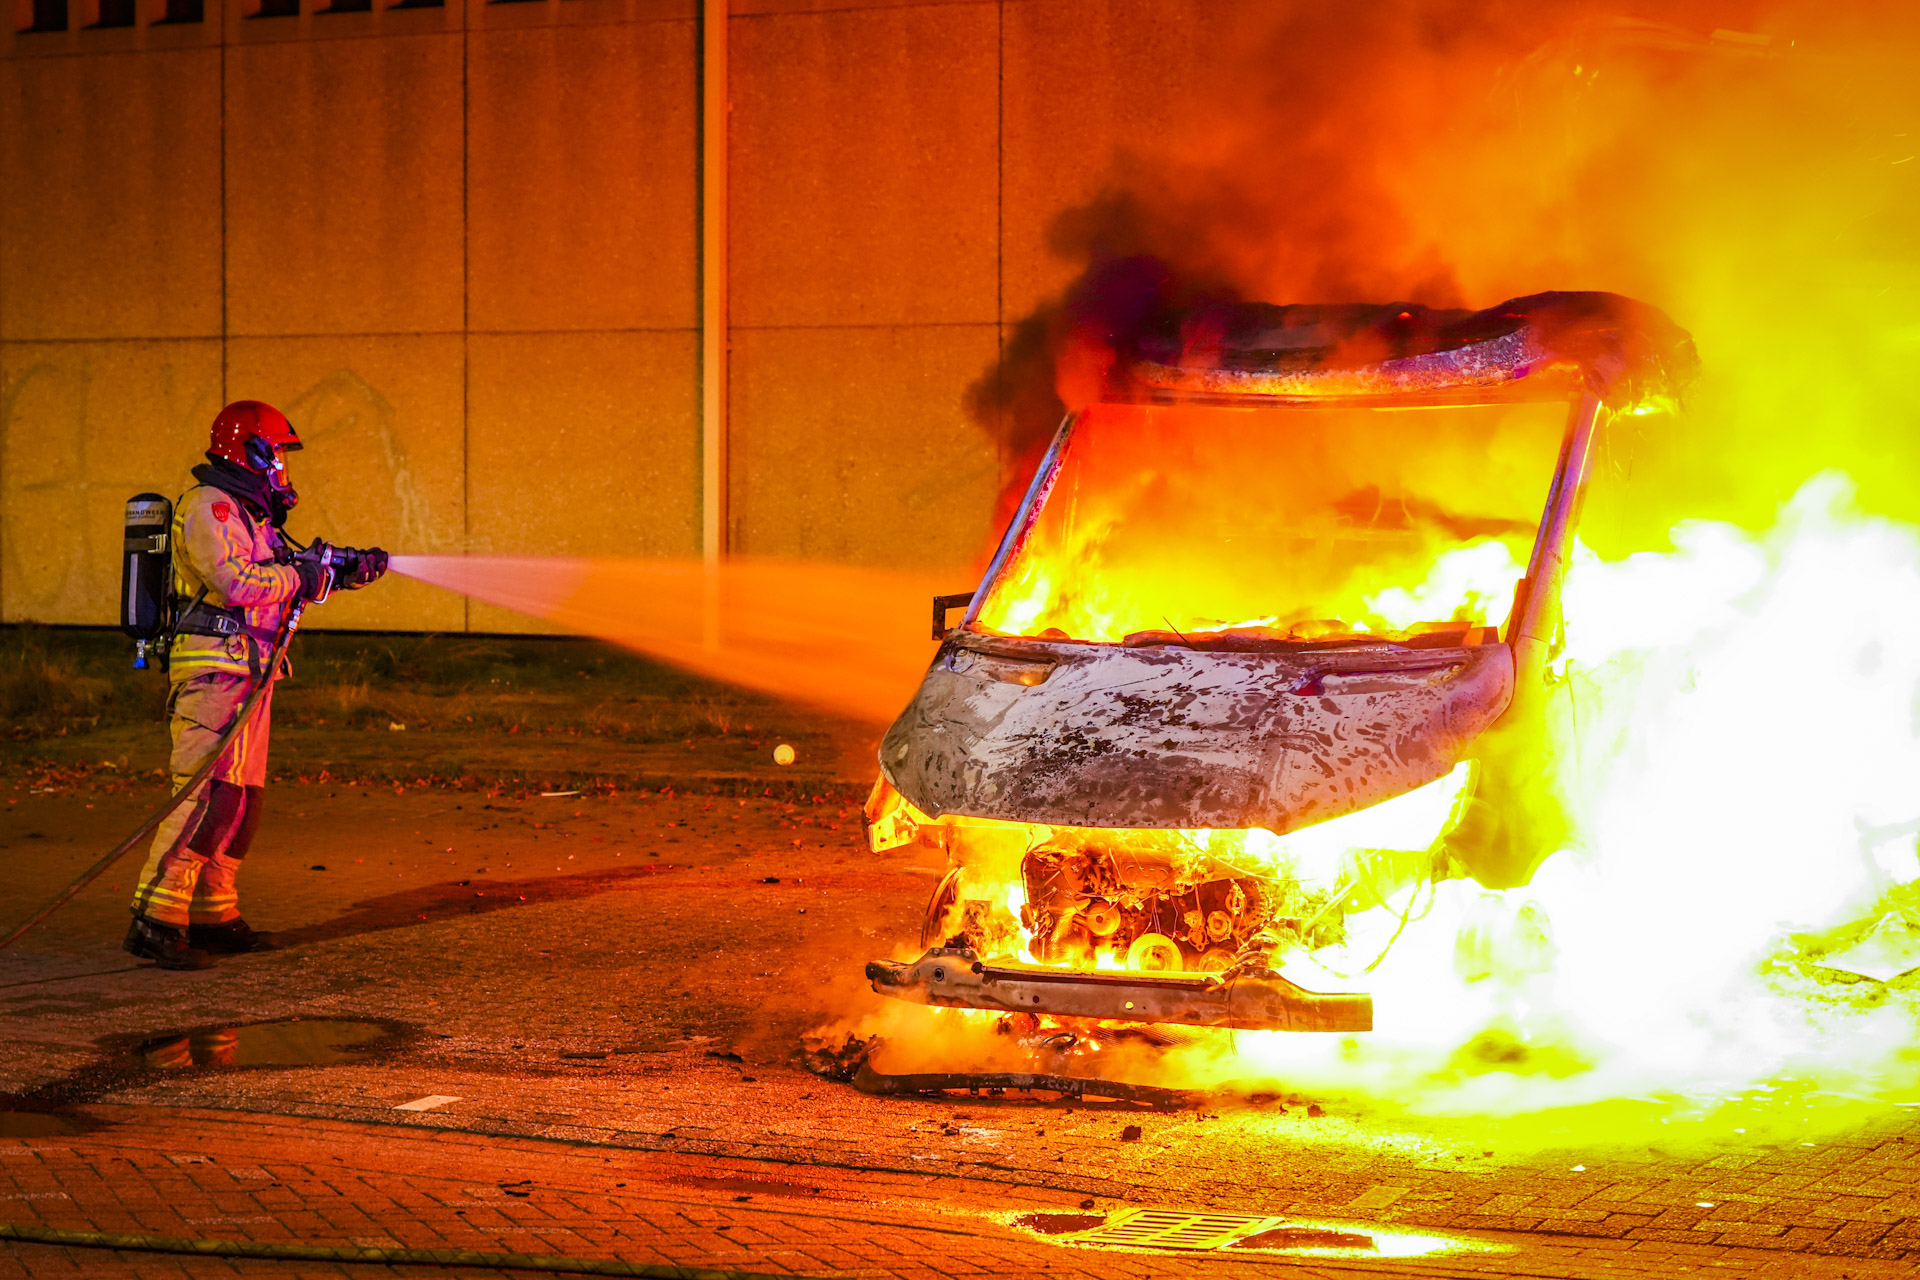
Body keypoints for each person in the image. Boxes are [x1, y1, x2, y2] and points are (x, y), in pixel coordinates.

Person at [124, 401, 388, 970]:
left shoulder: (253, 516)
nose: (284, 470)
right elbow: (235, 581)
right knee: (201, 796)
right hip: (213, 671)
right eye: (281, 454)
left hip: (252, 672)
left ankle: (213, 913)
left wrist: (342, 570)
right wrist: (303, 574)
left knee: (242, 802)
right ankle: (154, 918)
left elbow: (285, 576)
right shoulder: (209, 506)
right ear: (254, 451)